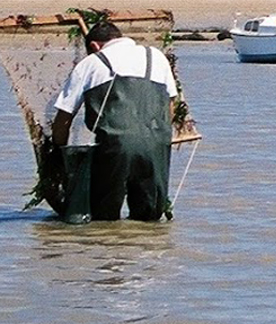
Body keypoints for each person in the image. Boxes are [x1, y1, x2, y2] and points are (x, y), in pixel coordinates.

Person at [46, 20, 178, 223]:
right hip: (156, 144)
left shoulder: (91, 63)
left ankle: (107, 250)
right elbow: (170, 105)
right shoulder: (157, 57)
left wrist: (57, 150)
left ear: (94, 46)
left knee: (104, 219)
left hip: (115, 147)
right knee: (150, 219)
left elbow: (64, 116)